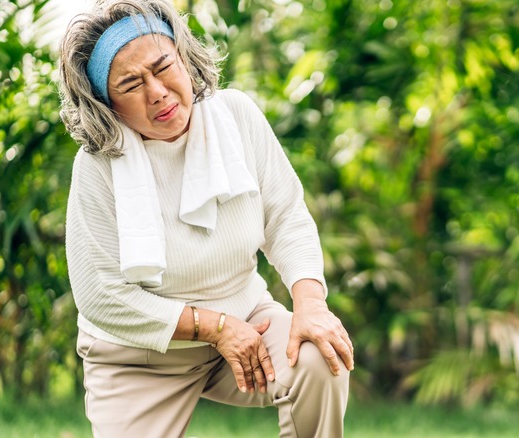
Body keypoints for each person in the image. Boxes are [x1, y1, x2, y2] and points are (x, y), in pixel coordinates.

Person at [57, 0, 353, 436]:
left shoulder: (236, 115)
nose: (156, 91)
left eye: (163, 66)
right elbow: (101, 296)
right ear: (106, 103)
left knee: (318, 355)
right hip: (142, 357)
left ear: (184, 57)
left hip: (249, 319)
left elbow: (285, 215)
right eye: (131, 83)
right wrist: (214, 328)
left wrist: (310, 304)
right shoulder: (99, 164)